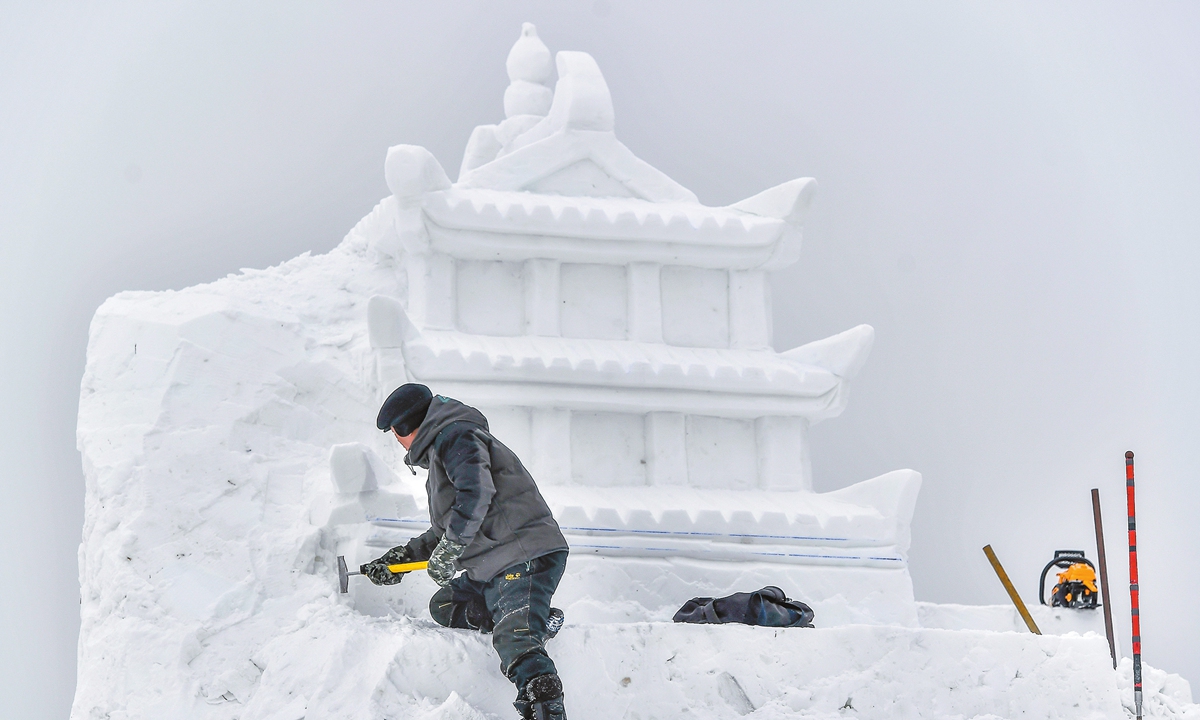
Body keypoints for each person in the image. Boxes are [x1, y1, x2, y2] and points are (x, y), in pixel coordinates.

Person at [362, 383, 570, 720]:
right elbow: (445, 529)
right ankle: (535, 618)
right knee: (445, 605)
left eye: (395, 433)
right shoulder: (443, 450)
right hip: (492, 564)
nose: (396, 442)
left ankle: (544, 704)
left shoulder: (457, 436)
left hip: (521, 553)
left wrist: (450, 550)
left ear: (404, 428)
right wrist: (400, 558)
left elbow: (476, 495)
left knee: (514, 640)